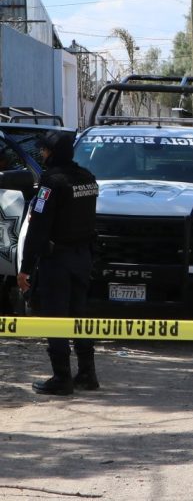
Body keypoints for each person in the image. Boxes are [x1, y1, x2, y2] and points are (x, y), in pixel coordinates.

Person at [17, 131, 99, 395]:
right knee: (80, 316)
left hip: (58, 260)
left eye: (43, 150)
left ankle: (61, 378)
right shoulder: (87, 178)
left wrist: (25, 269)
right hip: (82, 257)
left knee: (56, 317)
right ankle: (87, 373)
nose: (41, 154)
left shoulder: (51, 182)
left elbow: (38, 228)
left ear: (52, 152)